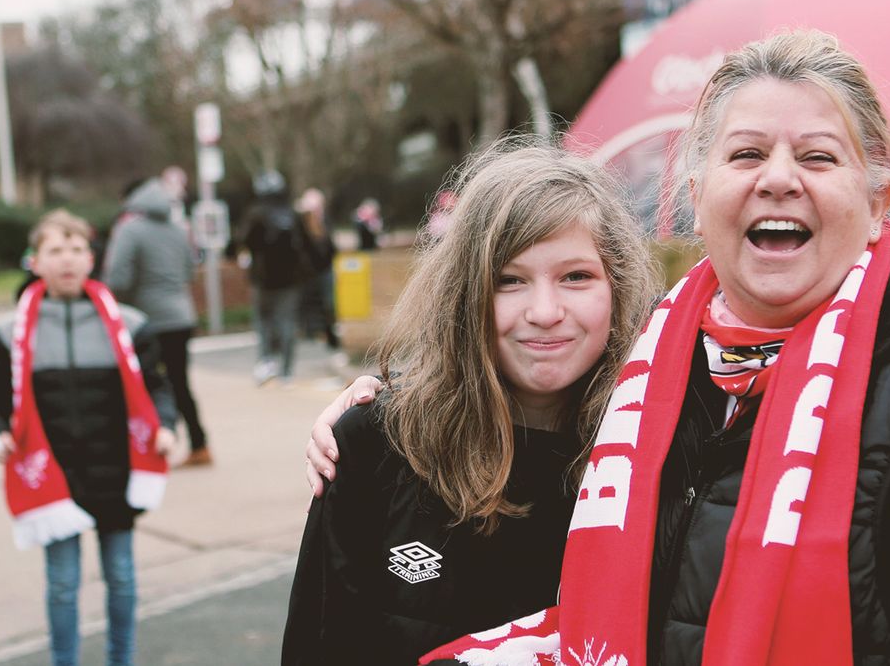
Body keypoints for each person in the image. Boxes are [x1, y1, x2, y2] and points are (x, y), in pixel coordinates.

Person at [310, 30, 890, 665]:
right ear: (699, 200)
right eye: (745, 154)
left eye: (816, 155)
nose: (777, 178)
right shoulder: (655, 389)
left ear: (878, 204)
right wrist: (384, 400)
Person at [281, 139, 659, 665]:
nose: (545, 311)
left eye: (576, 277)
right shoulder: (374, 447)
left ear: (617, 287)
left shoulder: (661, 451)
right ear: (465, 294)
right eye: (509, 281)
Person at [0, 210, 176, 666]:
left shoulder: (130, 324)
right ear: (35, 261)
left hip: (116, 470)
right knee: (64, 583)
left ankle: (120, 659)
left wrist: (165, 425)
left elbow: (157, 386)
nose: (66, 259)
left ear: (91, 257)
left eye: (76, 249)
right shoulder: (10, 333)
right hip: (52, 473)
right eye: (54, 250)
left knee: (122, 576)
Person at [104, 177, 213, 466]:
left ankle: (145, 448)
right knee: (179, 382)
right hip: (182, 316)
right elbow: (190, 270)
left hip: (146, 321)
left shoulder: (129, 229)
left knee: (141, 385)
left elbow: (117, 278)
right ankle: (199, 444)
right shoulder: (179, 229)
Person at [239, 170, 314, 386]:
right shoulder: (293, 214)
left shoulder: (255, 214)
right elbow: (307, 245)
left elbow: (243, 241)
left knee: (263, 322)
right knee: (287, 322)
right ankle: (287, 370)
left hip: (262, 279)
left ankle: (265, 362)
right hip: (290, 281)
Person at [295, 187, 346, 370]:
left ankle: (328, 334)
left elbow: (330, 247)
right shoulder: (303, 225)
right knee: (315, 302)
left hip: (323, 270)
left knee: (328, 303)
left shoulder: (324, 223)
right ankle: (314, 331)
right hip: (312, 272)